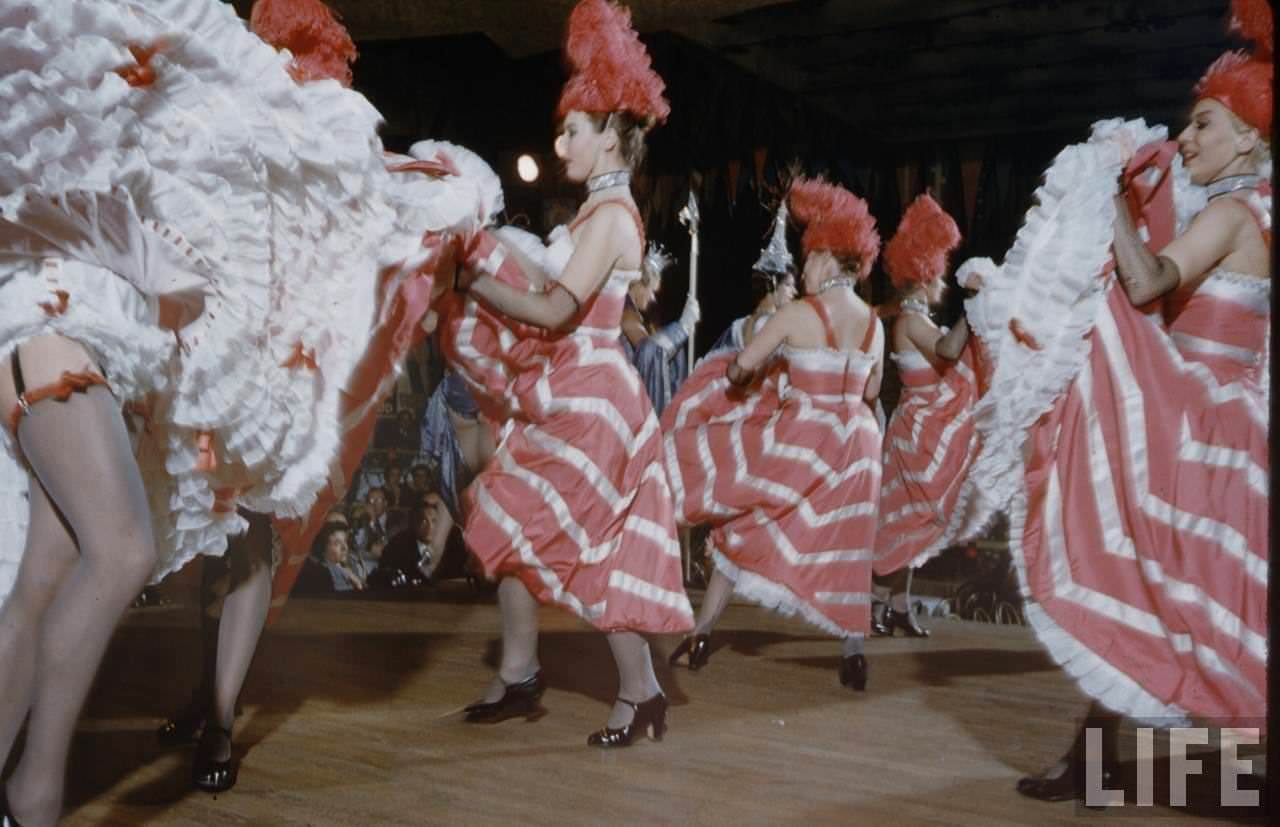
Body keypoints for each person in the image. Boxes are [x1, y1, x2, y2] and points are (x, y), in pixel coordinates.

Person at [972, 0, 1270, 802]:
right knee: (1165, 590)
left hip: (1200, 420)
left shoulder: (1239, 213)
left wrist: (1100, 186)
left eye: (1205, 125)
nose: (1188, 138)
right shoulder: (1257, 213)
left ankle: (1136, 770)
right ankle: (1099, 764)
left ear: (1250, 135)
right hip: (1229, 418)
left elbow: (1144, 285)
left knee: (1152, 582)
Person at [436, 0, 694, 747]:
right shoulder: (595, 211)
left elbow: (554, 312)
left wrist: (473, 283)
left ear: (611, 138)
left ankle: (630, 688)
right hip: (572, 392)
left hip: (591, 400)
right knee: (519, 515)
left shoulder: (612, 217)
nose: (560, 140)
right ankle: (529, 672)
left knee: (563, 532)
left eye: (572, 130)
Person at [663, 176, 885, 690]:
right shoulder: (873, 322)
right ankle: (853, 654)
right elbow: (872, 389)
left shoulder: (798, 313)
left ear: (829, 256)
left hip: (802, 439)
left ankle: (700, 634)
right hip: (858, 442)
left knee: (739, 526)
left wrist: (761, 376)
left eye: (808, 258)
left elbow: (740, 368)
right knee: (850, 548)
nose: (803, 268)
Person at [871, 194, 972, 638]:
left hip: (924, 424)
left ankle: (896, 606)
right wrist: (976, 310)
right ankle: (876, 602)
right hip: (918, 430)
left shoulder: (917, 320)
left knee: (913, 522)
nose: (945, 286)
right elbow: (950, 351)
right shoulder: (911, 322)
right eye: (942, 277)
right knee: (907, 520)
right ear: (926, 275)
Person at [619, 243, 699, 416]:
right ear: (639, 285)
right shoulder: (626, 312)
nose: (653, 299)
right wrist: (681, 329)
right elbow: (648, 351)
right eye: (652, 292)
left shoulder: (640, 314)